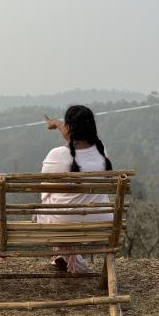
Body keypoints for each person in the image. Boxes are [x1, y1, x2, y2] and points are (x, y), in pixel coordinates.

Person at [39, 105, 113, 273]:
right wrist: (58, 124)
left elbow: (44, 189)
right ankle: (67, 256)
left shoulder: (56, 155)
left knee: (47, 198)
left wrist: (58, 124)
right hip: (101, 221)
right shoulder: (102, 152)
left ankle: (68, 255)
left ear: (69, 128)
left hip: (64, 223)